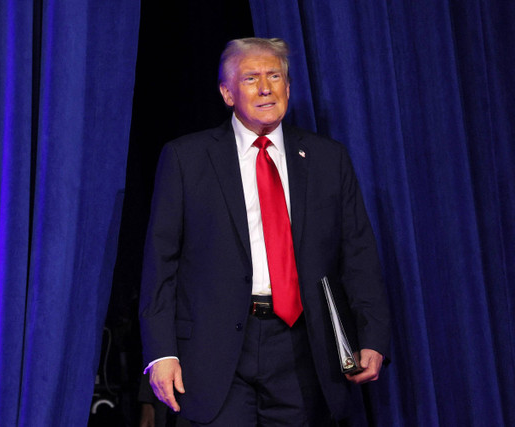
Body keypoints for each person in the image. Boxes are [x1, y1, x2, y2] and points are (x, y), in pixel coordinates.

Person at [139, 37, 390, 426]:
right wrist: (161, 353)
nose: (265, 88)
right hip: (214, 352)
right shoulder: (186, 158)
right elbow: (161, 262)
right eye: (251, 78)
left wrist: (372, 336)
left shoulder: (327, 159)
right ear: (227, 93)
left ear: (288, 88)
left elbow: (358, 254)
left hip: (303, 350)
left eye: (275, 76)